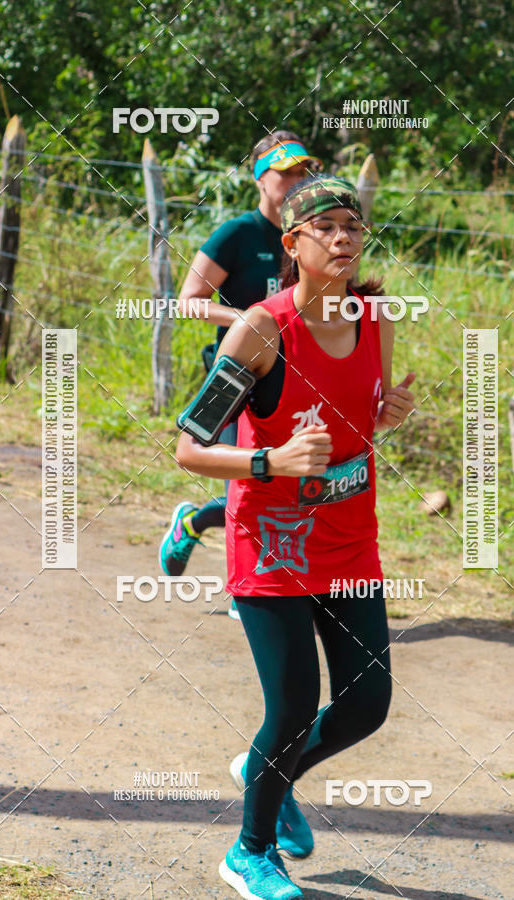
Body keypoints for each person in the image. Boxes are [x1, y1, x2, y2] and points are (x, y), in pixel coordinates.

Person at [175, 173, 416, 900]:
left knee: (367, 701)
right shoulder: (260, 328)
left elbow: (351, 421)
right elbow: (188, 446)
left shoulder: (375, 317)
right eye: (327, 227)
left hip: (349, 542)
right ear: (293, 242)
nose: (343, 238)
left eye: (353, 225)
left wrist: (385, 417)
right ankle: (251, 852)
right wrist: (268, 460)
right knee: (290, 706)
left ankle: (265, 776)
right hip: (273, 543)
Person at [159, 131, 321, 620]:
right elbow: (188, 302)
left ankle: (194, 521)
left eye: (303, 170)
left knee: (282, 478)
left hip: (297, 376)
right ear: (260, 178)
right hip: (238, 376)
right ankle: (246, 586)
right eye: (286, 172)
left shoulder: (315, 233)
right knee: (243, 477)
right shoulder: (237, 234)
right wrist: (252, 322)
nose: (297, 180)